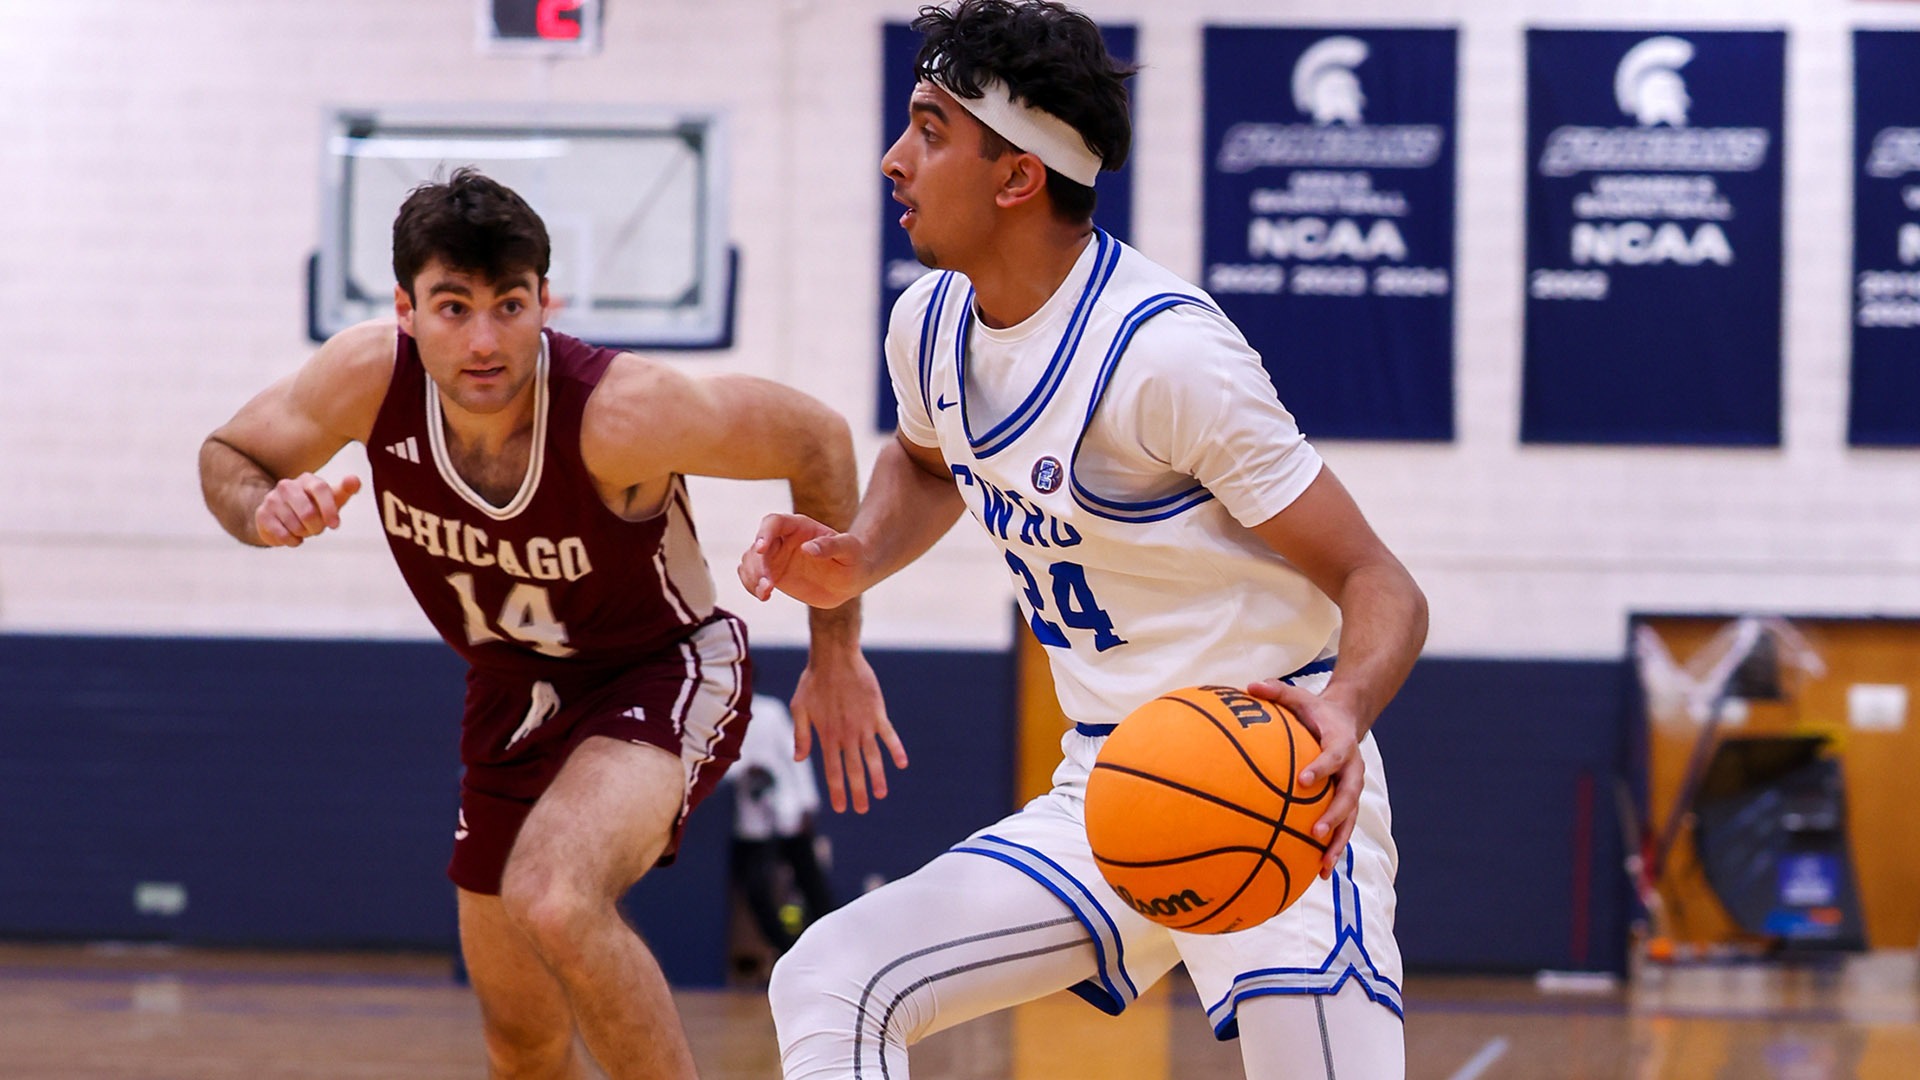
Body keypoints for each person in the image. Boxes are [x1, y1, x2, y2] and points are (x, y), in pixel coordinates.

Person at [738, 3, 1428, 1077]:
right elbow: (924, 463)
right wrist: (858, 554)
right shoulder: (929, 325)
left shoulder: (1167, 357)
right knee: (831, 975)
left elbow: (1381, 581)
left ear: (1017, 177)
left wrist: (1341, 712)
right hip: (1112, 782)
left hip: (1278, 785)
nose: (893, 158)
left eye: (929, 131)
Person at [198, 167, 903, 1080]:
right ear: (406, 312)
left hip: (661, 668)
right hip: (510, 693)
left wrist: (835, 651)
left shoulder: (619, 412)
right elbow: (230, 454)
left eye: (509, 305)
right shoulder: (367, 380)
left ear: (545, 302)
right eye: (453, 308)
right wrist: (261, 509)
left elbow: (818, 437)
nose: (484, 340)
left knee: (555, 895)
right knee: (521, 1044)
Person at [730, 693, 837, 957]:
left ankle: (831, 947)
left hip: (788, 814)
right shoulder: (717, 712)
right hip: (751, 825)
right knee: (756, 890)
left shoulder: (770, 712)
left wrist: (807, 804)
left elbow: (796, 754)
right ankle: (787, 951)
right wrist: (746, 769)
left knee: (811, 884)